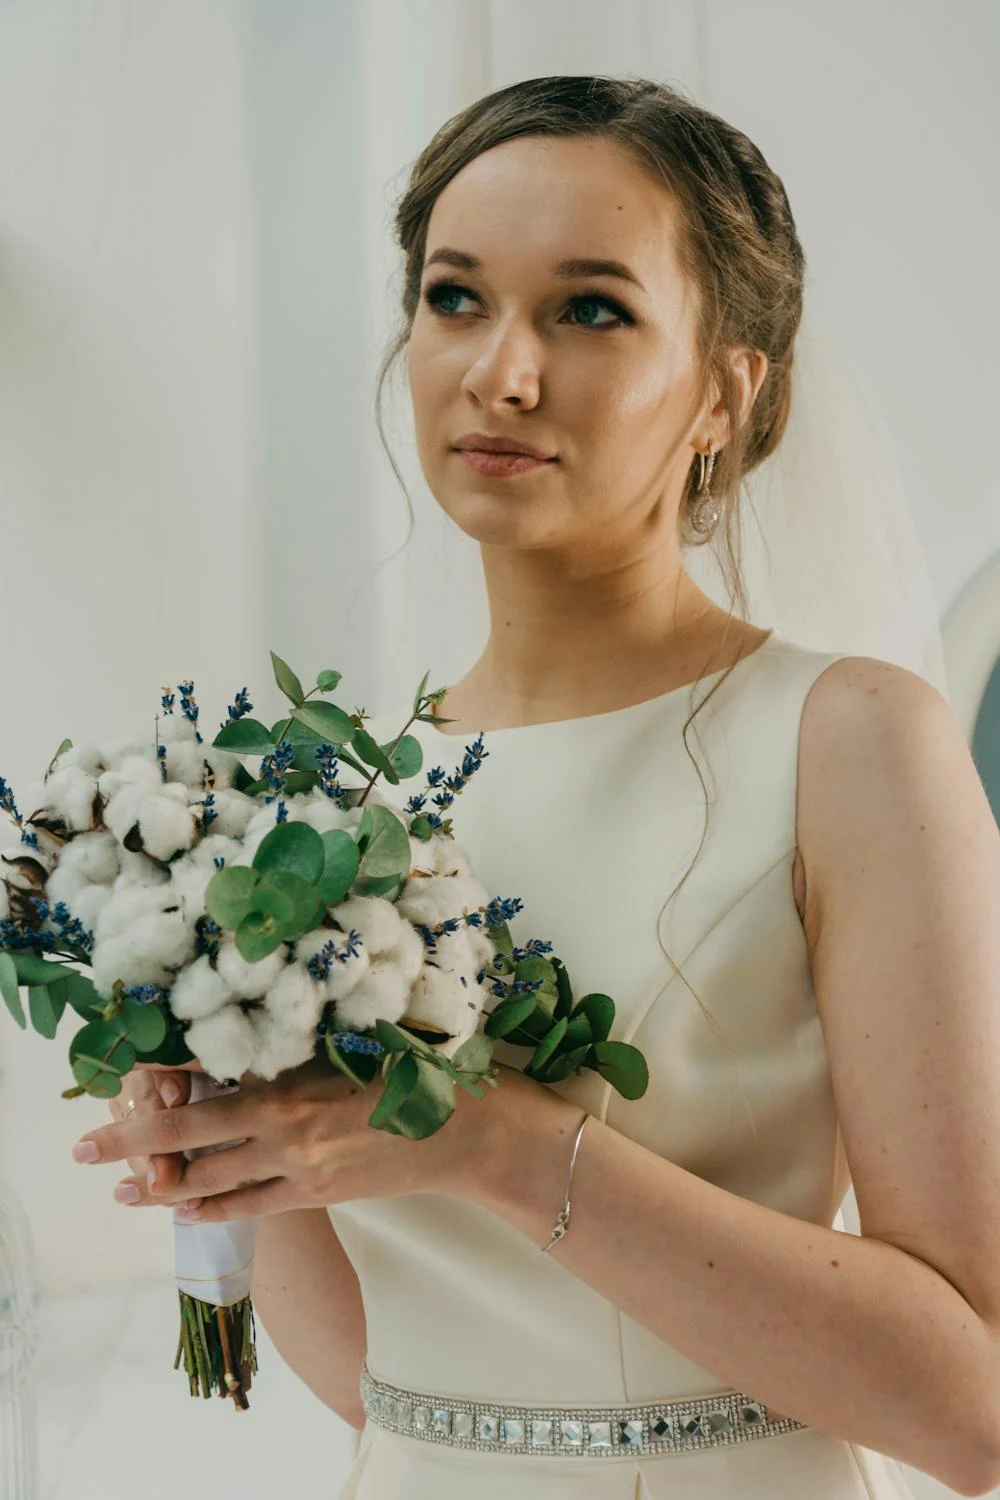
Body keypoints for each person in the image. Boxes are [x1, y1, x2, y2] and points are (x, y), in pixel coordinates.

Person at [84, 77, 1000, 1498]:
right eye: (456, 299)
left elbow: (975, 1405)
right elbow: (389, 1384)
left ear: (727, 390)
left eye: (589, 310)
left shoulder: (847, 740)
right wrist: (233, 1146)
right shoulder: (334, 804)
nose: (500, 372)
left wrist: (501, 1146)